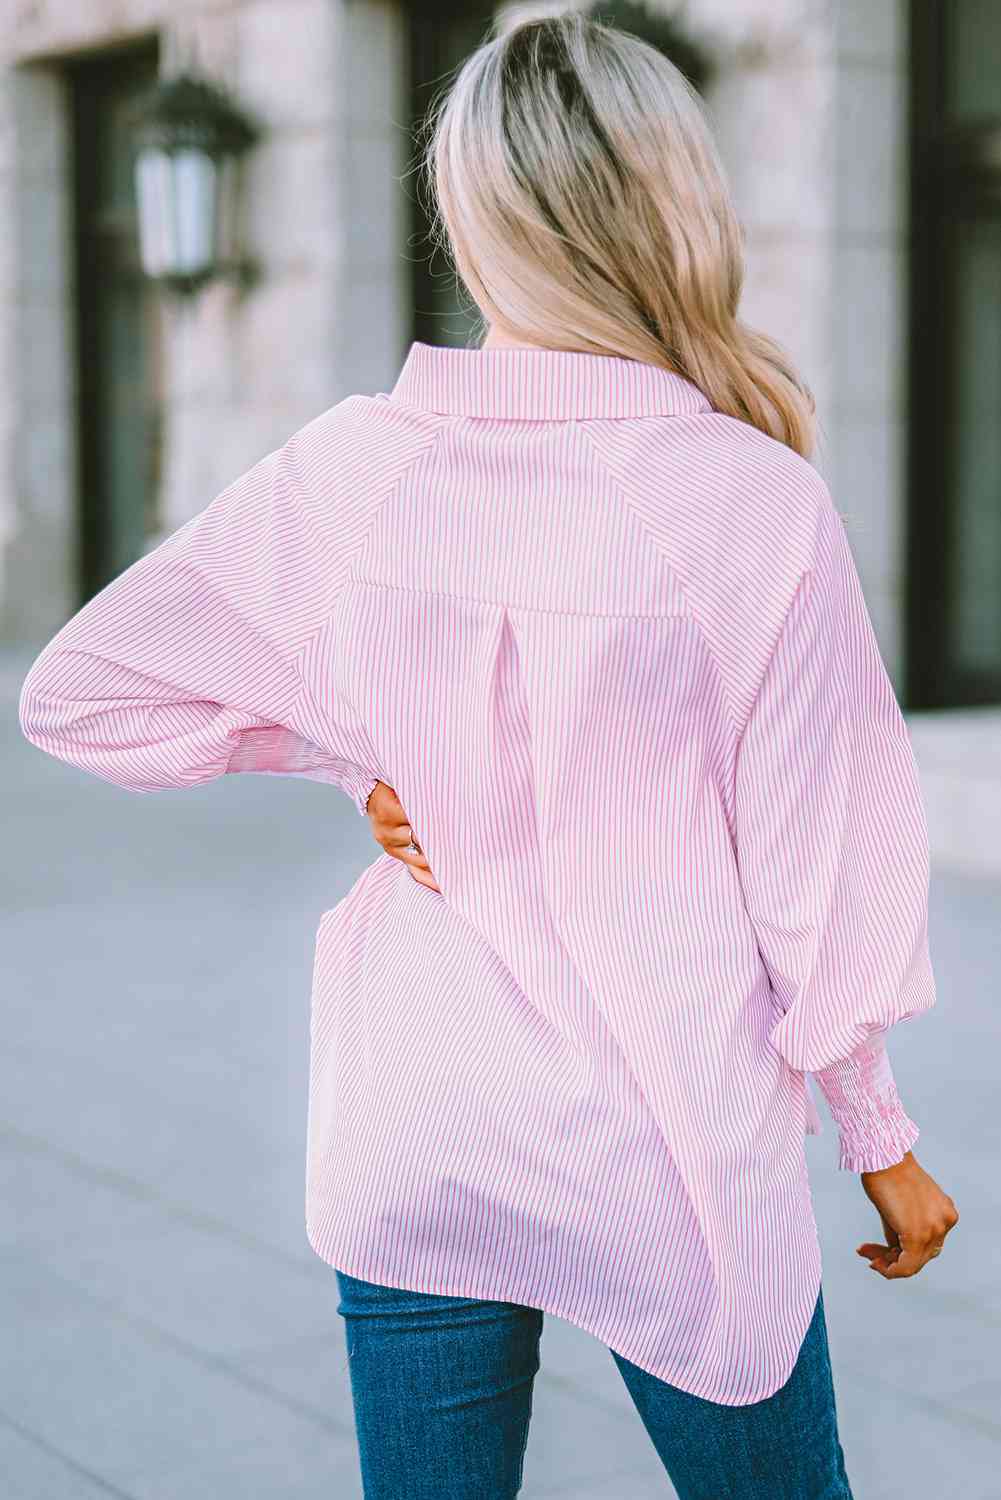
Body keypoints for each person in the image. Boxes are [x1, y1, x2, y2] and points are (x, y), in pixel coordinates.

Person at [18, 11, 958, 1499]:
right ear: (676, 206)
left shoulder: (354, 466)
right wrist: (878, 1136)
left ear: (470, 221)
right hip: (668, 1145)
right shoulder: (751, 501)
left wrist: (356, 759)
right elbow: (814, 872)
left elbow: (83, 694)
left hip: (422, 1111)